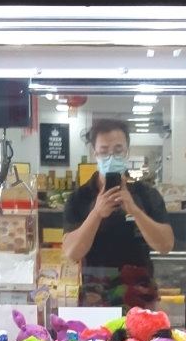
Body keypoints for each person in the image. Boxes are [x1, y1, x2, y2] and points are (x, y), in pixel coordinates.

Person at [62, 118, 174, 306]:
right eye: (104, 151)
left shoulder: (146, 195)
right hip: (96, 295)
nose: (111, 157)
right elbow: (72, 253)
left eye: (118, 150)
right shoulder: (79, 199)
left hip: (140, 295)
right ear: (95, 154)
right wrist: (96, 213)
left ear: (127, 152)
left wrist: (134, 210)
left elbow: (165, 246)